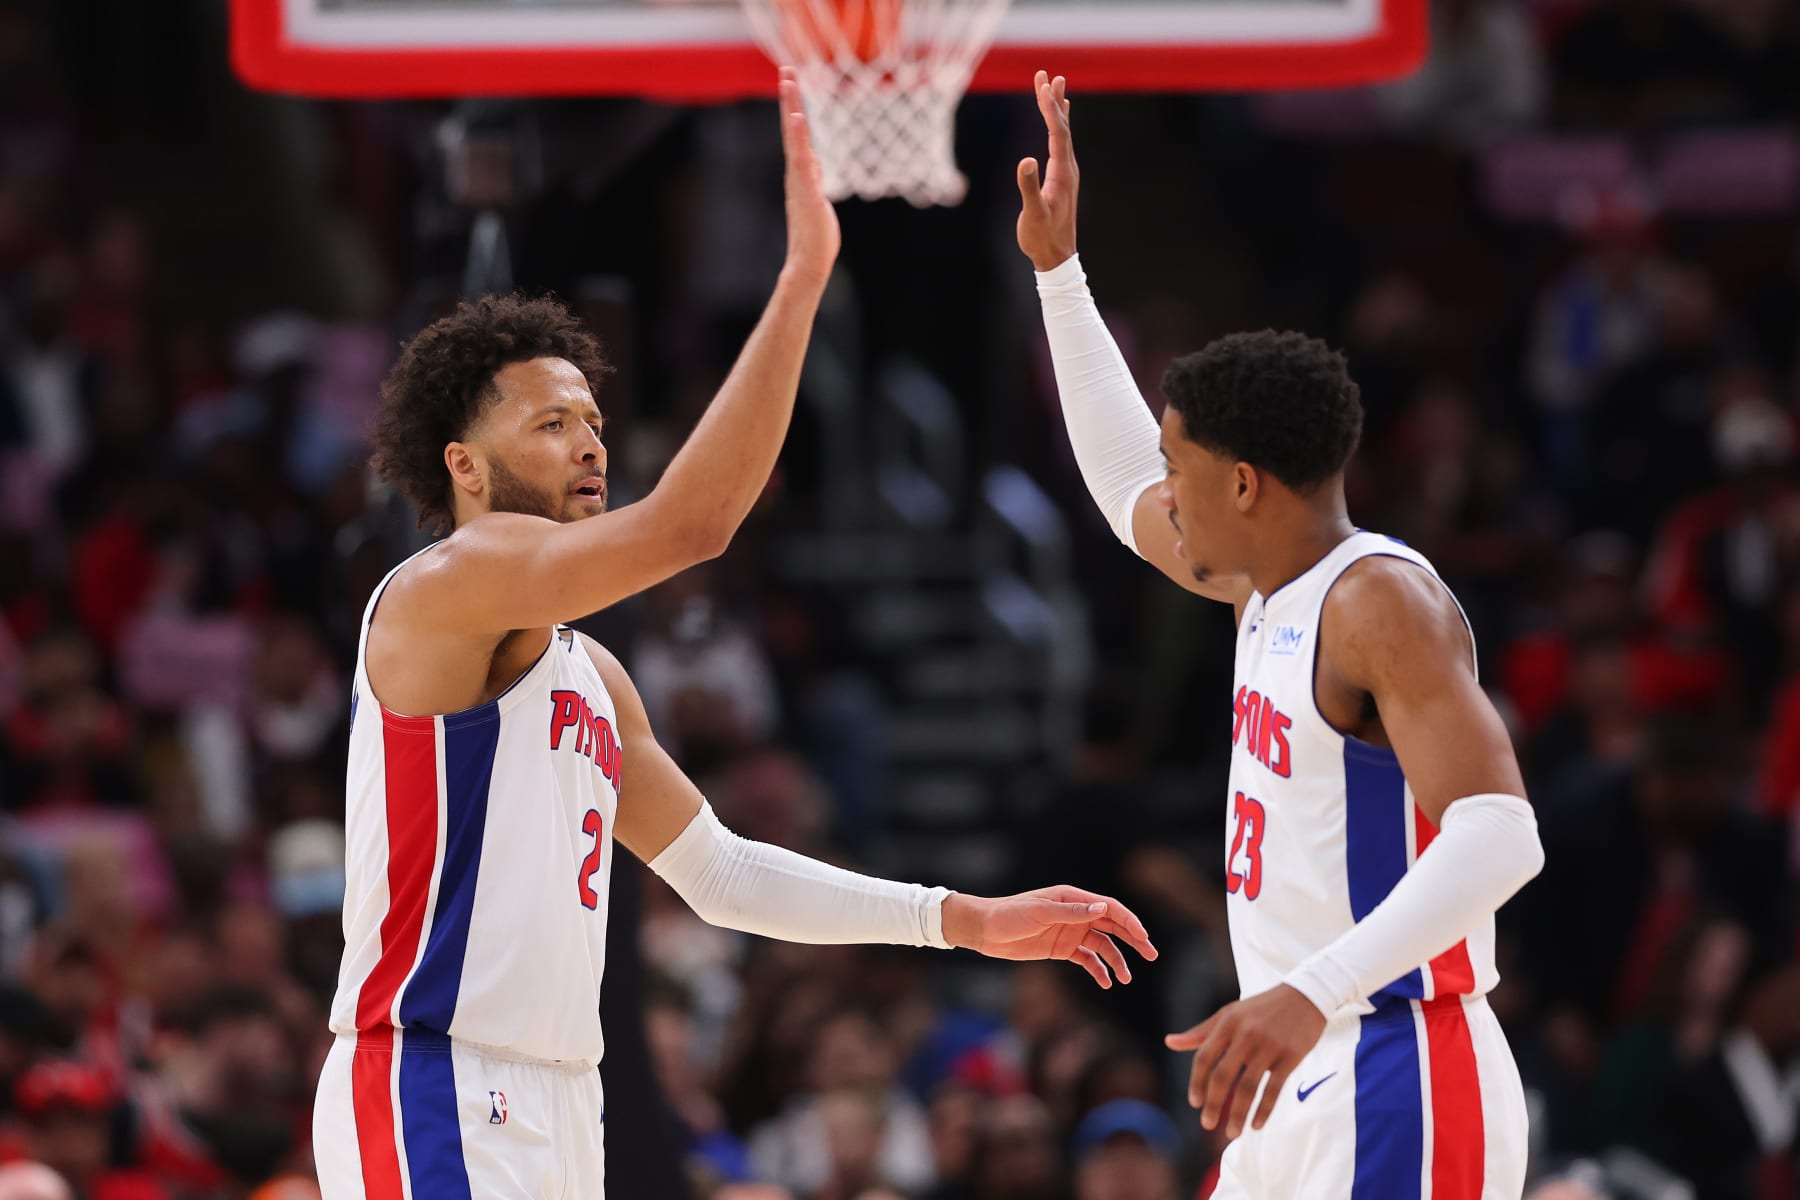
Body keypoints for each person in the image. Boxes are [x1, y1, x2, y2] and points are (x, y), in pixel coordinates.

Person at [311, 71, 1157, 1200]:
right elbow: (696, 525)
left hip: (562, 1097)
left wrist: (964, 920)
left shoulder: (592, 674)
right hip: (435, 1081)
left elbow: (721, 875)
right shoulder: (447, 586)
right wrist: (801, 285)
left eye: (596, 421)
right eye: (551, 424)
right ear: (464, 465)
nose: (590, 445)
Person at [1016, 72, 1544, 1199]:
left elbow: (1502, 836)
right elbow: (1118, 487)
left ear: (1245, 483)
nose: (1166, 493)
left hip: (1398, 1056)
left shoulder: (1377, 602)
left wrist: (1316, 988)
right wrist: (1061, 276)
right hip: (1299, 1067)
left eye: (1184, 472)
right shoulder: (1268, 588)